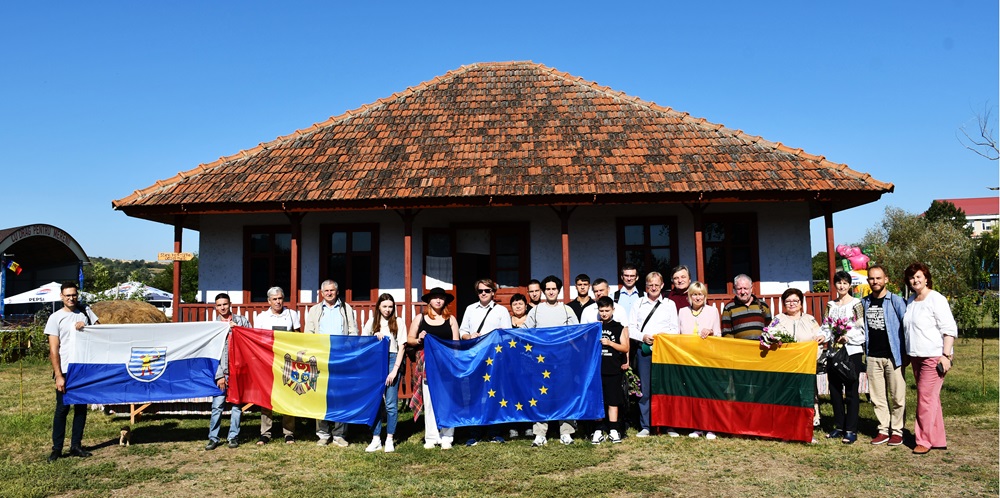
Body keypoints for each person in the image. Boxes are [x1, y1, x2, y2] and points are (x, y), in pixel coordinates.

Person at [902, 263, 957, 455]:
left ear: (926, 277)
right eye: (911, 278)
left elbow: (948, 328)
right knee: (931, 399)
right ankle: (937, 438)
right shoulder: (911, 300)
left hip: (933, 357)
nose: (915, 280)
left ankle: (923, 440)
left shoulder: (936, 299)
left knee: (924, 398)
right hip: (916, 357)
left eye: (918, 276)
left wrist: (946, 355)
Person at [45, 282, 99, 463]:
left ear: (78, 295)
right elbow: (54, 349)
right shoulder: (55, 318)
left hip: (83, 368)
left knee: (81, 409)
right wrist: (58, 375)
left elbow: (100, 331)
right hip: (66, 369)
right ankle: (57, 449)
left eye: (74, 294)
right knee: (62, 409)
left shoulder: (85, 313)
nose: (71, 298)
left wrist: (87, 325)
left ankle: (76, 445)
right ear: (61, 296)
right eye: (67, 295)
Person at [524, 275, 579, 446]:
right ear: (543, 291)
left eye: (554, 289)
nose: (551, 292)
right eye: (547, 289)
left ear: (559, 290)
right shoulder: (536, 310)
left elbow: (576, 333)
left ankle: (566, 431)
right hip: (541, 361)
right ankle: (540, 433)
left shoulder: (566, 310)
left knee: (565, 394)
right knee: (541, 395)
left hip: (563, 360)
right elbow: (526, 333)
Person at [304, 280, 358, 447]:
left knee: (340, 396)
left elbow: (353, 332)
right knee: (321, 395)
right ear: (321, 293)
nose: (329, 293)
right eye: (326, 291)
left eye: (332, 290)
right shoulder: (314, 310)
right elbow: (309, 333)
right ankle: (322, 434)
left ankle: (339, 434)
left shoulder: (346, 308)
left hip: (341, 358)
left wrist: (346, 351)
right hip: (321, 358)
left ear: (337, 291)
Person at [458, 279, 512, 445]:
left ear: (493, 293)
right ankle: (475, 432)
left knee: (495, 393)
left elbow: (507, 334)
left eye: (487, 291)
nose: (483, 293)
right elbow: (462, 332)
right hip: (476, 356)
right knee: (475, 393)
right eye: (480, 291)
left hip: (495, 358)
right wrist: (469, 336)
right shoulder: (470, 309)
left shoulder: (501, 311)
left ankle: (494, 432)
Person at [628, 271, 679, 437]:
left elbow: (675, 328)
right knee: (645, 389)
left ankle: (667, 425)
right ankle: (646, 425)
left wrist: (661, 338)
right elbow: (631, 328)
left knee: (664, 387)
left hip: (664, 352)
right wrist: (643, 337)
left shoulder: (669, 304)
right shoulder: (638, 304)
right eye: (650, 285)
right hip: (644, 351)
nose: (654, 288)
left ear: (662, 285)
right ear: (646, 287)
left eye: (657, 285)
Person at [407, 287, 460, 449]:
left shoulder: (451, 319)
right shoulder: (420, 318)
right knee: (429, 400)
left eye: (441, 298)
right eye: (435, 297)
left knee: (447, 399)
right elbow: (409, 339)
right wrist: (418, 340)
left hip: (446, 363)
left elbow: (456, 343)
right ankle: (431, 436)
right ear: (429, 300)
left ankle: (447, 436)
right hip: (427, 364)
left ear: (445, 301)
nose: (438, 300)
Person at [861, 265, 908, 447]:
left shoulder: (895, 301)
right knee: (877, 397)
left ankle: (897, 431)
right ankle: (883, 430)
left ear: (886, 279)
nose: (875, 282)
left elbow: (906, 327)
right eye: (872, 279)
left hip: (893, 356)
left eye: (878, 278)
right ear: (868, 281)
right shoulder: (864, 302)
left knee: (897, 396)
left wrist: (906, 353)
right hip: (873, 356)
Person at [770, 287, 826, 432]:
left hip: (805, 364)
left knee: (808, 392)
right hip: (785, 365)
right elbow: (769, 335)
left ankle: (813, 419)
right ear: (783, 303)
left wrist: (815, 355)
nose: (792, 303)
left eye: (795, 300)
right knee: (785, 391)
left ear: (801, 303)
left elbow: (819, 337)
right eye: (788, 301)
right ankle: (786, 419)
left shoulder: (810, 319)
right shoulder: (778, 319)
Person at [254, 286, 301, 445]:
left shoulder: (292, 314)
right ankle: (265, 433)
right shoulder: (261, 317)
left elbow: (298, 337)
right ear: (269, 301)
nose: (278, 301)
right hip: (267, 361)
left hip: (287, 362)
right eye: (274, 299)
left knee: (287, 396)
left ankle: (289, 433)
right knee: (267, 397)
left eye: (280, 298)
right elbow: (257, 340)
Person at [361, 293, 407, 453]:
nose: (387, 309)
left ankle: (389, 438)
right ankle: (375, 438)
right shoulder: (372, 322)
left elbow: (402, 346)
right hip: (375, 361)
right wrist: (374, 336)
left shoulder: (399, 322)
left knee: (391, 403)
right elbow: (362, 341)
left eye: (390, 306)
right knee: (375, 402)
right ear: (379, 307)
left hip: (392, 359)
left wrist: (395, 370)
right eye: (384, 306)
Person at [824, 271, 866, 444]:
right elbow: (826, 326)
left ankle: (851, 429)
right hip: (834, 351)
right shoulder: (830, 305)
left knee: (851, 391)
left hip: (852, 351)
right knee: (834, 390)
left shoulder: (856, 304)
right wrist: (823, 337)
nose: (842, 286)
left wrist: (848, 337)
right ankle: (839, 426)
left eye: (845, 283)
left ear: (850, 285)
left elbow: (861, 329)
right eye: (839, 283)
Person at [676, 281, 720, 439]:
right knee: (693, 392)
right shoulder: (682, 311)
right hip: (688, 358)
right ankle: (696, 427)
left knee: (708, 392)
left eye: (700, 294)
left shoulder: (712, 311)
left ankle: (710, 427)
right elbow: (678, 335)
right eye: (694, 294)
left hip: (707, 358)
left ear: (705, 296)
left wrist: (711, 332)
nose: (697, 297)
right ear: (689, 296)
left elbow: (719, 335)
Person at [206, 293, 250, 450]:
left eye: (225, 304)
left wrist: (238, 329)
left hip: (238, 371)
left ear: (230, 304)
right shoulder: (213, 327)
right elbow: (212, 353)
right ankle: (213, 437)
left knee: (237, 406)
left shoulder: (241, 321)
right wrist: (219, 375)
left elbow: (250, 341)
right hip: (222, 373)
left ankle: (233, 436)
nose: (222, 307)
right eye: (219, 305)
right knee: (217, 406)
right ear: (215, 307)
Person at [592, 297, 629, 444]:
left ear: (613, 310)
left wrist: (610, 343)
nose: (604, 313)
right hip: (596, 370)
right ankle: (598, 429)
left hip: (613, 369)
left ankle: (613, 429)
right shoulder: (595, 327)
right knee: (598, 401)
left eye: (607, 310)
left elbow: (625, 347)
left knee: (613, 401)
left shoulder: (619, 327)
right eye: (601, 311)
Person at [721, 274, 772, 340]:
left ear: (751, 288)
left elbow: (770, 328)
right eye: (739, 289)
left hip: (760, 348)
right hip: (740, 348)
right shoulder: (728, 308)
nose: (742, 292)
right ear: (734, 289)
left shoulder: (763, 305)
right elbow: (726, 333)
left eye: (745, 288)